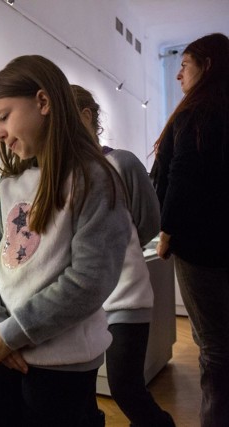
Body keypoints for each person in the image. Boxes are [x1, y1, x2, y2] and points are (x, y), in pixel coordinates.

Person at [0, 55, 132, 427]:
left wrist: (13, 332)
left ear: (43, 103)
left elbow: (89, 280)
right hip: (5, 353)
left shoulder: (96, 180)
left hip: (62, 365)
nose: (0, 134)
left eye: (4, 117)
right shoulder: (11, 183)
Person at [73, 84, 175, 427]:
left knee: (125, 387)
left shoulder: (123, 163)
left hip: (123, 298)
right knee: (82, 391)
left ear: (86, 117)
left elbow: (147, 222)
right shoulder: (64, 173)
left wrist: (119, 248)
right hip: (81, 302)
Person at [151, 32, 229, 427]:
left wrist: (166, 230)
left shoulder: (197, 112)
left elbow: (182, 172)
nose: (179, 75)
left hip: (200, 245)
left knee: (213, 347)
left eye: (184, 65)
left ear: (207, 65)